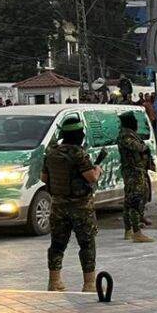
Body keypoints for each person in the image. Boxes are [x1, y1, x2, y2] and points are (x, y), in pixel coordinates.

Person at [41, 116, 105, 292]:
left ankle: (54, 282)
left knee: (57, 244)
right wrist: (98, 170)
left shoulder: (51, 152)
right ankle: (89, 284)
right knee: (87, 244)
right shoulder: (79, 153)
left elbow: (43, 178)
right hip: (81, 207)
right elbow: (90, 177)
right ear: (79, 135)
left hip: (58, 205)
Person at [117, 112, 155, 242]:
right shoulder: (125, 136)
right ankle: (136, 232)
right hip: (133, 172)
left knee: (130, 201)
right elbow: (137, 147)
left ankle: (129, 230)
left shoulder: (129, 134)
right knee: (134, 201)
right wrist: (145, 147)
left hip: (136, 171)